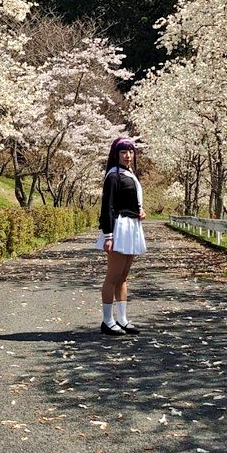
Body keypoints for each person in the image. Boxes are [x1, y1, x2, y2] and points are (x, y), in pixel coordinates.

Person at [96, 135, 146, 335]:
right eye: (123, 152)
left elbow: (131, 200)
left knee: (123, 277)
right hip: (119, 228)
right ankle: (107, 320)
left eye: (131, 152)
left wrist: (140, 210)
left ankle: (123, 319)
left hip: (131, 226)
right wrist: (108, 235)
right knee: (113, 276)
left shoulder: (130, 173)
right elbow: (107, 207)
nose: (128, 155)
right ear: (116, 154)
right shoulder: (113, 175)